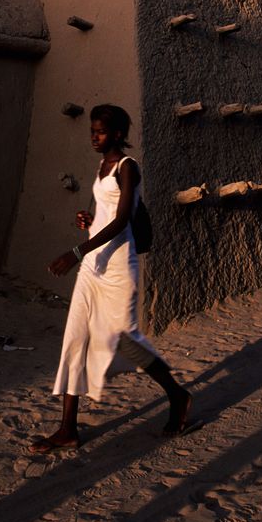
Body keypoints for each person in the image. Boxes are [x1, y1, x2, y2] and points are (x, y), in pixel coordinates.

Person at [30, 104, 191, 452]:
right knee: (75, 339)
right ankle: (67, 429)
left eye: (100, 132)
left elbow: (122, 221)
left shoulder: (127, 167)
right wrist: (88, 220)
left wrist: (74, 253)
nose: (93, 137)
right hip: (93, 264)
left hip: (117, 267)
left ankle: (178, 396)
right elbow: (105, 216)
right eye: (91, 131)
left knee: (125, 342)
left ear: (117, 134)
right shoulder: (101, 166)